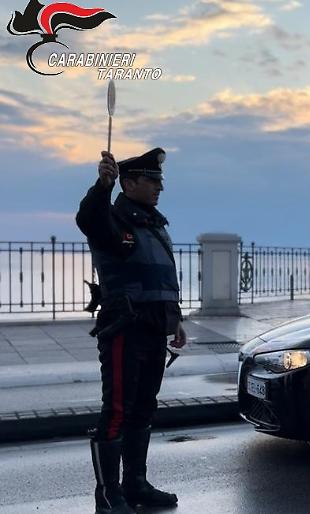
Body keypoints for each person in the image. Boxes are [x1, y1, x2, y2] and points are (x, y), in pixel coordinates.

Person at [76, 148, 186, 513]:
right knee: (118, 410)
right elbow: (88, 218)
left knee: (143, 409)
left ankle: (135, 484)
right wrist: (101, 186)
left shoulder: (153, 223)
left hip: (155, 329)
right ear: (129, 182)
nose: (160, 188)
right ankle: (108, 495)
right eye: (153, 181)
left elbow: (160, 276)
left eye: (160, 181)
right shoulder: (112, 221)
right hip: (125, 329)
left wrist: (176, 319)